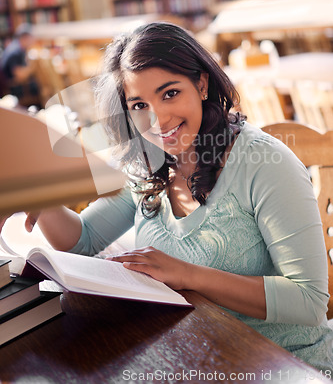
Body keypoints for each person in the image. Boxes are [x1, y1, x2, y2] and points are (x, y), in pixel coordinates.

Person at [1, 22, 332, 374]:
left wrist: (187, 274)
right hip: (197, 354)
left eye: (170, 93)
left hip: (285, 363)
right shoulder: (146, 161)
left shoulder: (266, 163)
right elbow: (83, 240)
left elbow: (309, 300)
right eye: (139, 104)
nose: (158, 119)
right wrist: (42, 198)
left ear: (201, 84)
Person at [0, 23, 40, 107]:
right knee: (39, 86)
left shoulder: (16, 47)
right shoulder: (15, 52)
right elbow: (19, 76)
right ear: (25, 37)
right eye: (31, 38)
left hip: (11, 86)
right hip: (12, 89)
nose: (33, 40)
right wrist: (33, 66)